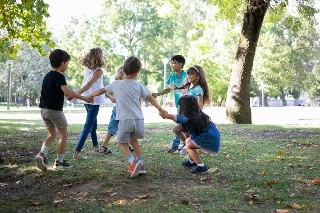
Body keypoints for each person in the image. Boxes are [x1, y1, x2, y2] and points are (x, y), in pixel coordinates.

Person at [89, 56, 166, 177]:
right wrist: (161, 109)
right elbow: (150, 97)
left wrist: (92, 95)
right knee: (133, 140)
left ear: (123, 71)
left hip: (125, 120)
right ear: (137, 73)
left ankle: (132, 161)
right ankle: (140, 162)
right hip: (139, 120)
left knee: (121, 142)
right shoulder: (139, 85)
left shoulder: (116, 84)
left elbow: (102, 90)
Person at [34, 49, 91, 171]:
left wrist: (71, 95)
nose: (68, 65)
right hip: (55, 111)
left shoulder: (47, 76)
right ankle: (59, 162)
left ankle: (42, 154)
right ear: (62, 63)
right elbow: (66, 91)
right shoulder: (60, 76)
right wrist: (84, 98)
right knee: (64, 135)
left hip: (44, 110)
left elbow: (61, 93)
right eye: (68, 63)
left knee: (52, 134)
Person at [160, 95, 220, 174]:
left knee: (188, 146)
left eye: (180, 106)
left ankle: (201, 166)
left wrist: (168, 116)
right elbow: (187, 135)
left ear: (185, 107)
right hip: (210, 136)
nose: (179, 108)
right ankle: (192, 161)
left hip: (208, 137)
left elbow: (180, 118)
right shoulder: (196, 116)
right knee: (187, 143)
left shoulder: (190, 117)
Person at [73, 47, 106, 159]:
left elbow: (97, 86)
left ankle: (96, 147)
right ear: (99, 57)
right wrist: (76, 94)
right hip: (93, 100)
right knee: (88, 126)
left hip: (87, 99)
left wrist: (79, 95)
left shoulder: (88, 70)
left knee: (93, 125)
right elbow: (89, 85)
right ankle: (77, 152)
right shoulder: (98, 71)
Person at [152, 55, 187, 153]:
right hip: (179, 105)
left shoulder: (186, 75)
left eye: (174, 62)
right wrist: (158, 94)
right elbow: (168, 89)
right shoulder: (172, 77)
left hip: (187, 105)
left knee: (181, 124)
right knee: (181, 124)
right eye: (171, 63)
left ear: (181, 64)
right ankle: (184, 144)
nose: (171, 64)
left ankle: (177, 145)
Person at [174, 65, 210, 154]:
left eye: (192, 74)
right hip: (185, 113)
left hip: (192, 115)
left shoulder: (198, 89)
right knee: (185, 132)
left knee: (184, 131)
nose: (189, 76)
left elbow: (200, 102)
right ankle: (187, 146)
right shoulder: (189, 87)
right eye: (188, 74)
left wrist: (198, 114)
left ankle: (188, 148)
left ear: (198, 77)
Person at [99, 66, 134, 154]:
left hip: (117, 108)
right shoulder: (129, 84)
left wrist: (111, 97)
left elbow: (103, 90)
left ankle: (104, 146)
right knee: (126, 127)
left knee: (111, 128)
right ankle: (126, 145)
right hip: (124, 110)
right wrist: (112, 97)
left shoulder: (116, 84)